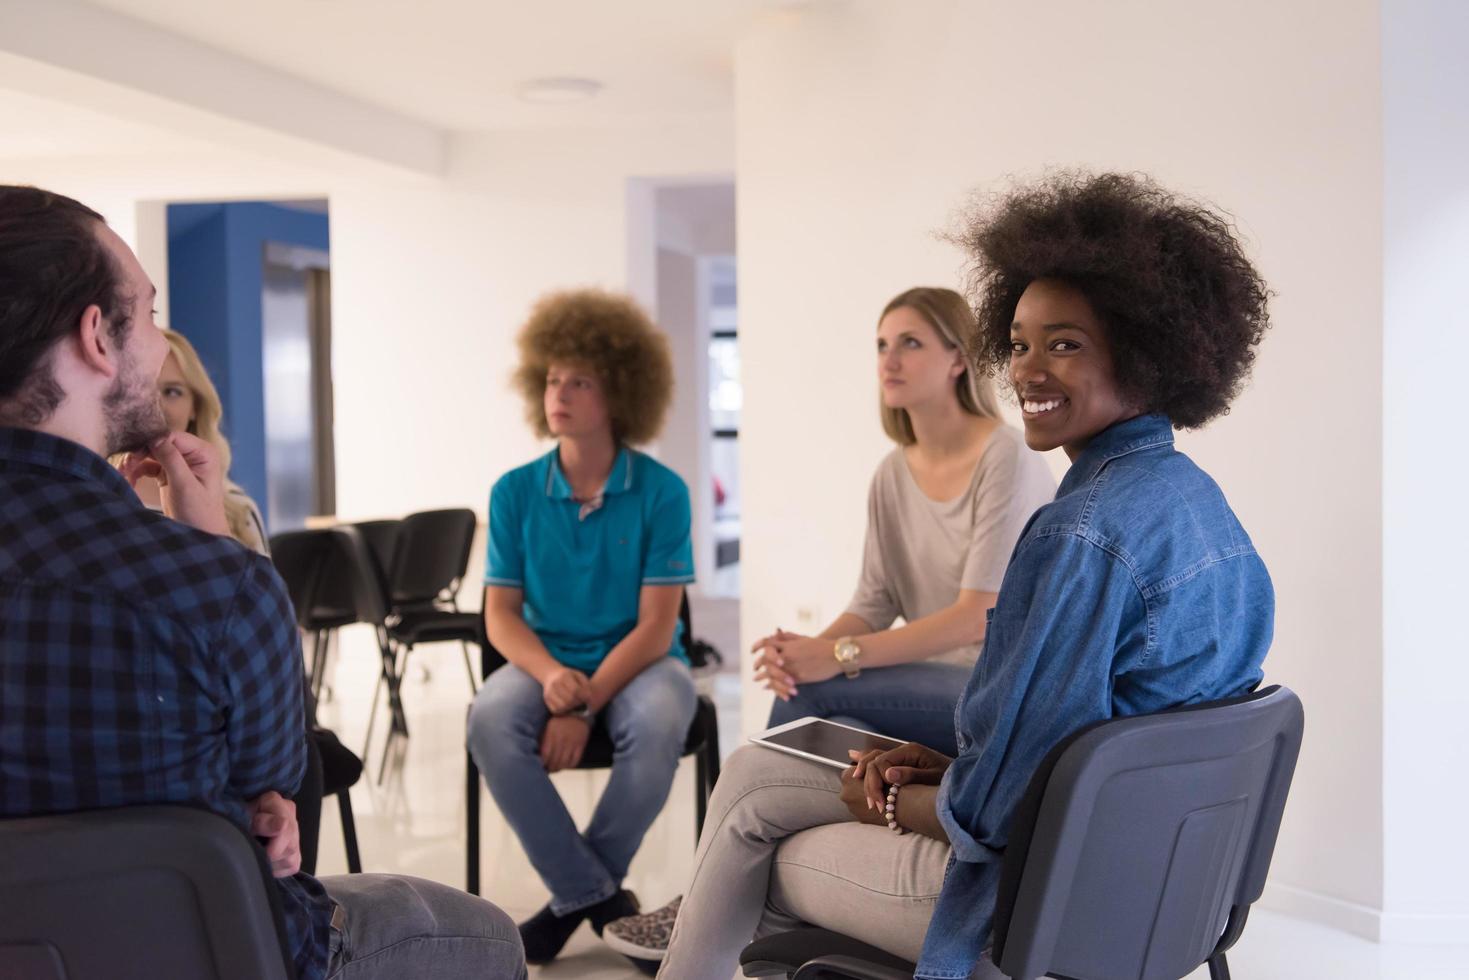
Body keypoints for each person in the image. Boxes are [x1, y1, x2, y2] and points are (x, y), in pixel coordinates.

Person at [611, 171, 1276, 979]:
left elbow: (994, 812)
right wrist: (947, 766)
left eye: (1064, 344)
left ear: (1144, 353)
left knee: (759, 834)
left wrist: (890, 800)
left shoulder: (1078, 533)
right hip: (1161, 891)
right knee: (761, 782)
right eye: (1021, 343)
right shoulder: (1204, 509)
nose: (1029, 370)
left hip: (1035, 904)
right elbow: (1074, 745)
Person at [0, 185, 526, 980]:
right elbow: (278, 791)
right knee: (480, 934)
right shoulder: (214, 589)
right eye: (144, 316)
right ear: (97, 339)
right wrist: (213, 549)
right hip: (214, 954)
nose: (159, 346)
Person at [465, 289, 697, 964]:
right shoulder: (513, 491)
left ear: (620, 393)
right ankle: (595, 896)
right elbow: (500, 617)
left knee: (657, 721)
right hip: (544, 658)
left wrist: (584, 701)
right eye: (551, 379)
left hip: (642, 662)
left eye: (579, 381)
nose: (558, 393)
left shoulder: (661, 491)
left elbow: (658, 627)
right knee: (488, 719)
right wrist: (554, 679)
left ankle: (566, 904)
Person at [751, 287, 1054, 755]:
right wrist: (803, 654)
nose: (889, 360)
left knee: (816, 693)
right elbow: (874, 602)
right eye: (881, 345)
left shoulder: (1008, 456)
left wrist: (836, 657)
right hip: (931, 682)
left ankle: (738, 821)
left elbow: (978, 617)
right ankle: (767, 820)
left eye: (910, 343)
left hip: (1004, 690)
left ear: (958, 359)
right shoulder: (891, 473)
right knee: (835, 717)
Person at [125, 327, 269, 554]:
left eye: (172, 392)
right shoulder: (97, 501)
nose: (156, 405)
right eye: (144, 389)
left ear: (195, 407)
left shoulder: (238, 510)